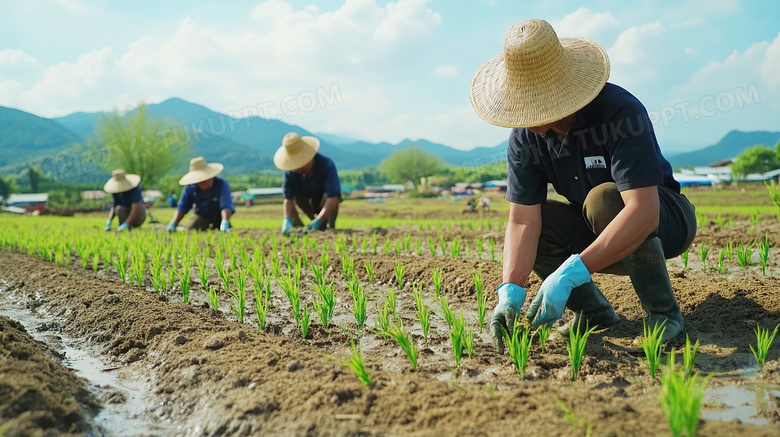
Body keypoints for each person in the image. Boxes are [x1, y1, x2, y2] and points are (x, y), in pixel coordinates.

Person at [469, 19, 696, 351]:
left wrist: (573, 272)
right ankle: (593, 312)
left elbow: (644, 212)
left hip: (664, 223)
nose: (525, 116)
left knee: (604, 197)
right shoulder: (525, 139)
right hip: (597, 230)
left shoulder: (618, 112)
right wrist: (510, 291)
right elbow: (522, 221)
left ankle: (664, 315)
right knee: (542, 220)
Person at [274, 132, 341, 235]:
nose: (295, 168)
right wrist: (286, 219)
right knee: (295, 199)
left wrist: (319, 219)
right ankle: (298, 229)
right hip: (305, 202)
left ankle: (327, 226)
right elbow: (288, 199)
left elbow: (333, 197)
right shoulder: (291, 172)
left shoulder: (326, 165)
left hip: (324, 202)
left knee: (330, 199)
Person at [167, 157, 234, 232]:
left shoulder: (221, 184)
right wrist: (174, 223)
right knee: (193, 227)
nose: (205, 181)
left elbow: (226, 204)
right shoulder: (190, 187)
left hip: (219, 216)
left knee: (225, 229)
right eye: (201, 181)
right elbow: (183, 207)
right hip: (202, 215)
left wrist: (225, 221)